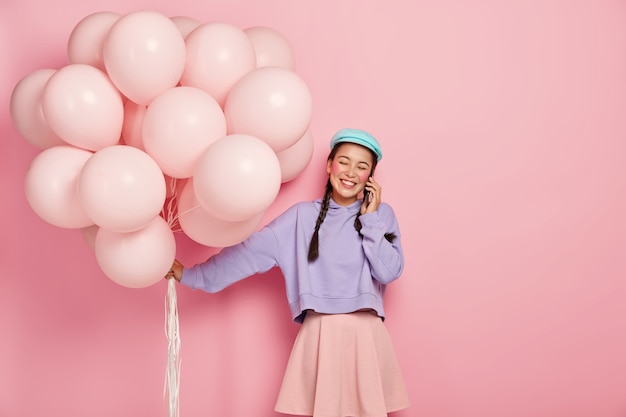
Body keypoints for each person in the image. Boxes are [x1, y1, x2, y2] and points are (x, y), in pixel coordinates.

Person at [166, 128, 410, 417]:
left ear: (370, 177)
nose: (350, 172)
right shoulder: (300, 218)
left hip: (367, 336)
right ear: (329, 164)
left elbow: (389, 271)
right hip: (320, 333)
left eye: (362, 166)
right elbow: (248, 253)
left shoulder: (381, 216)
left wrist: (369, 220)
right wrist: (193, 275)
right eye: (344, 161)